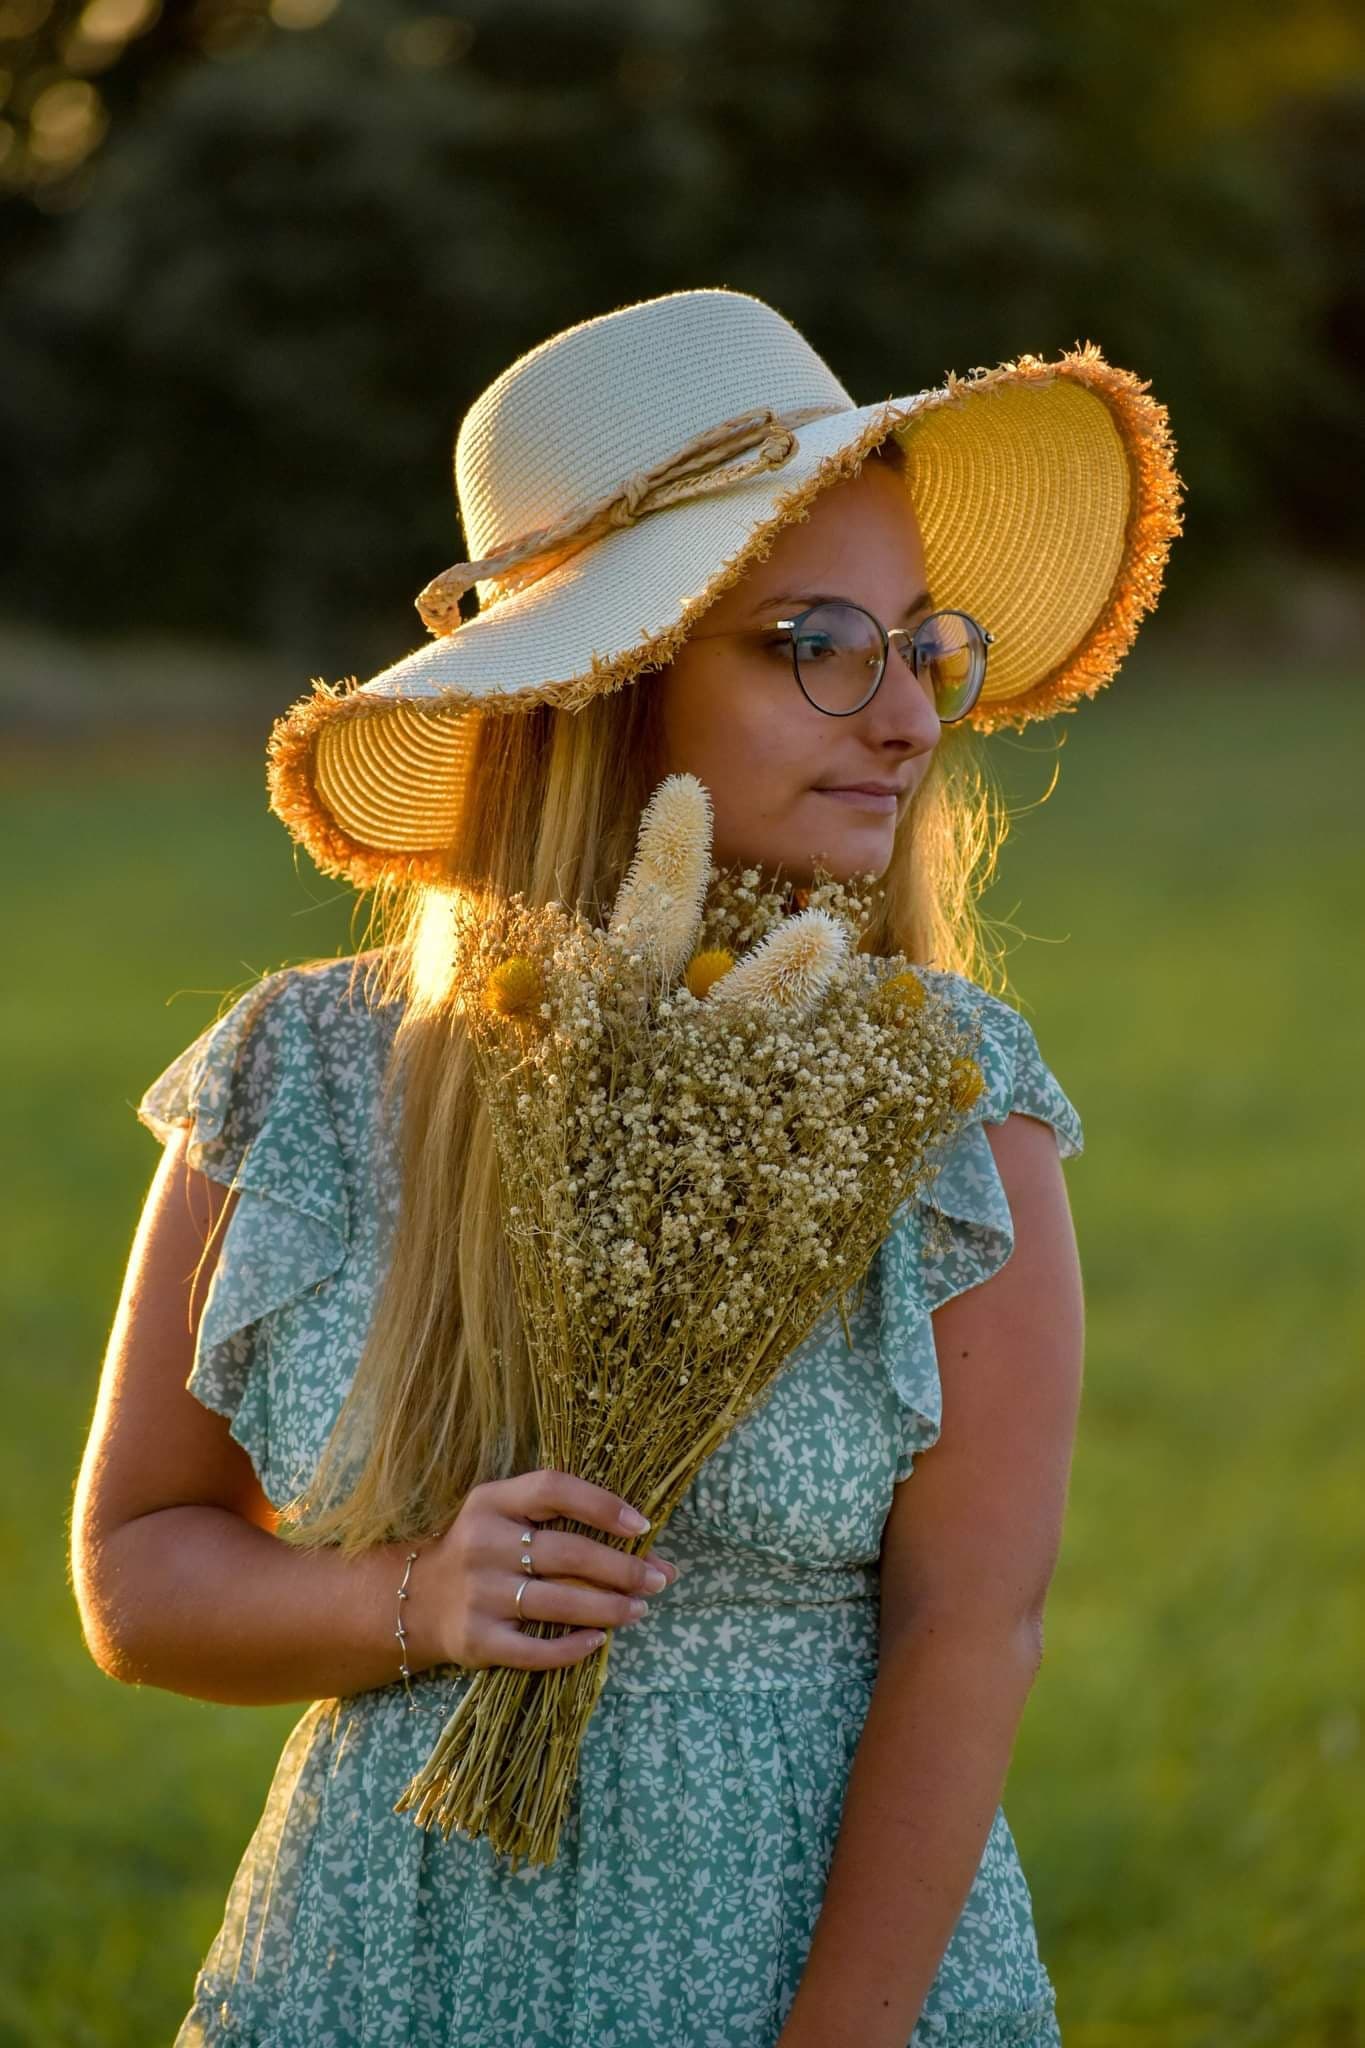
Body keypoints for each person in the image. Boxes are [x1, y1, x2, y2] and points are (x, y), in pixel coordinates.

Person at [71, 287, 1184, 2046]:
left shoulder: (954, 1100)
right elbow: (139, 1566)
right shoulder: (302, 1069)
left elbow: (970, 1631)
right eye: (818, 641)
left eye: (922, 643)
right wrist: (411, 1598)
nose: (905, 718)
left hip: (819, 1980)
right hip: (382, 1970)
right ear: (606, 681)